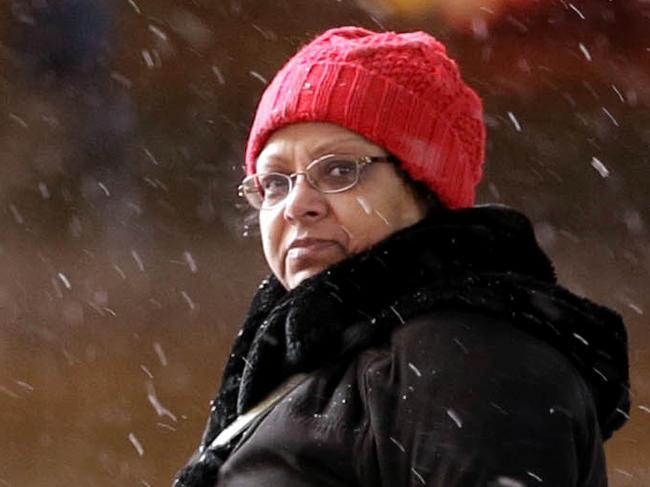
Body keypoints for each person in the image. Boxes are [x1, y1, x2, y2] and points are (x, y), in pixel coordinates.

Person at [174, 27, 630, 487]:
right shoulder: (329, 352)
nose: (296, 205)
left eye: (338, 170)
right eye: (275, 181)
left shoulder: (470, 359)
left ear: (424, 189)